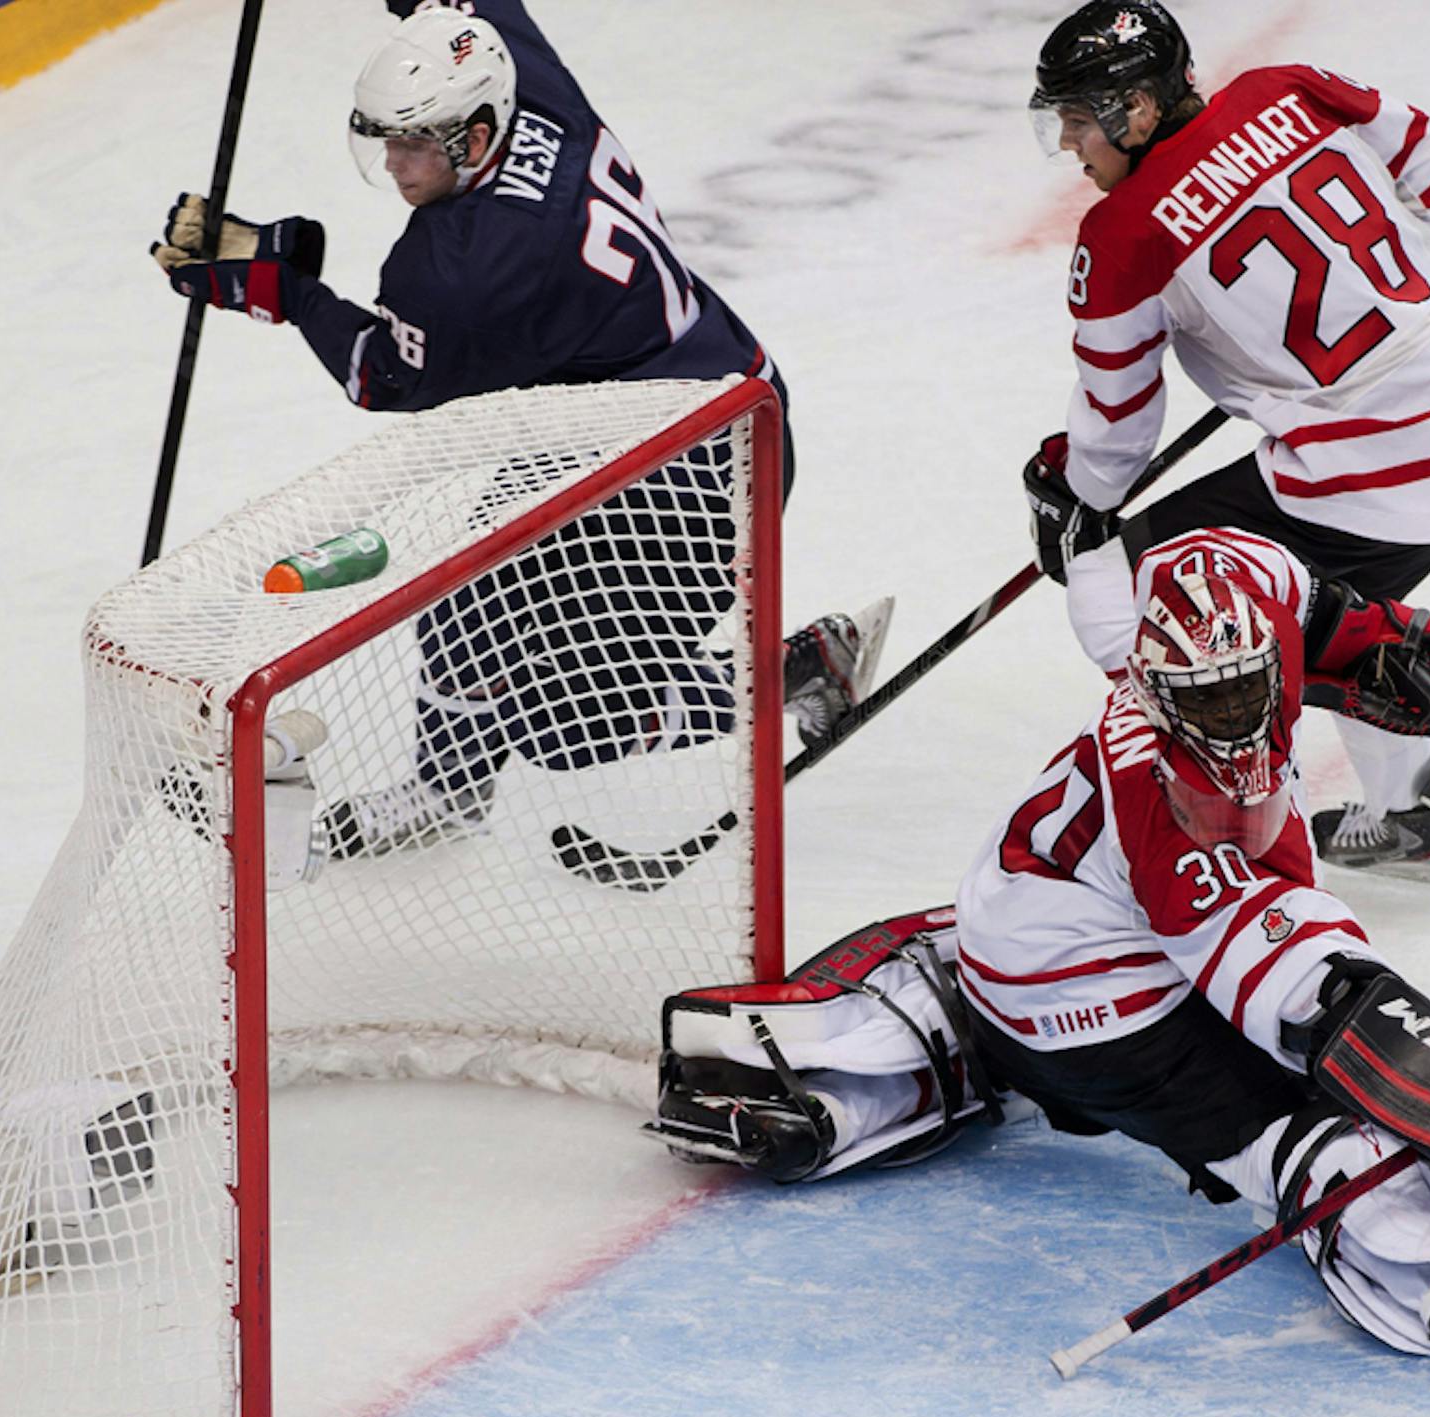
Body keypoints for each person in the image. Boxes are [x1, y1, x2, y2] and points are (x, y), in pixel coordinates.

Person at [650, 528, 1430, 1382]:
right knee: (1304, 1122)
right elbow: (1312, 994)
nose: (1232, 723)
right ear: (1155, 692)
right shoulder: (1177, 815)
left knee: (1123, 992)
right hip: (1091, 1015)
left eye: (1245, 690)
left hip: (1014, 920)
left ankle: (919, 1037)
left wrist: (1374, 635)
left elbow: (1292, 596)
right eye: (1204, 707)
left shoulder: (1229, 583)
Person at [151, 1, 885, 855]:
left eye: (415, 143)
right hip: (629, 418)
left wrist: (282, 290)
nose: (394, 162)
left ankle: (803, 668)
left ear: (474, 136)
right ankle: (445, 795)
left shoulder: (465, 268)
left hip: (702, 467)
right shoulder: (516, 79)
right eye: (385, 138)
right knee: (465, 606)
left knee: (569, 725)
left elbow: (381, 375)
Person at [1018, 1, 1430, 888]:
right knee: (1322, 606)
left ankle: (1232, 830)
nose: (1068, 143)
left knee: (1125, 584)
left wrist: (1073, 496)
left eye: (1076, 119)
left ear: (1136, 108)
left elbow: (1119, 428)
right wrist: (1377, 320)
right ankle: (1412, 811)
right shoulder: (1292, 88)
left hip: (1375, 465)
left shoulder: (1123, 233)